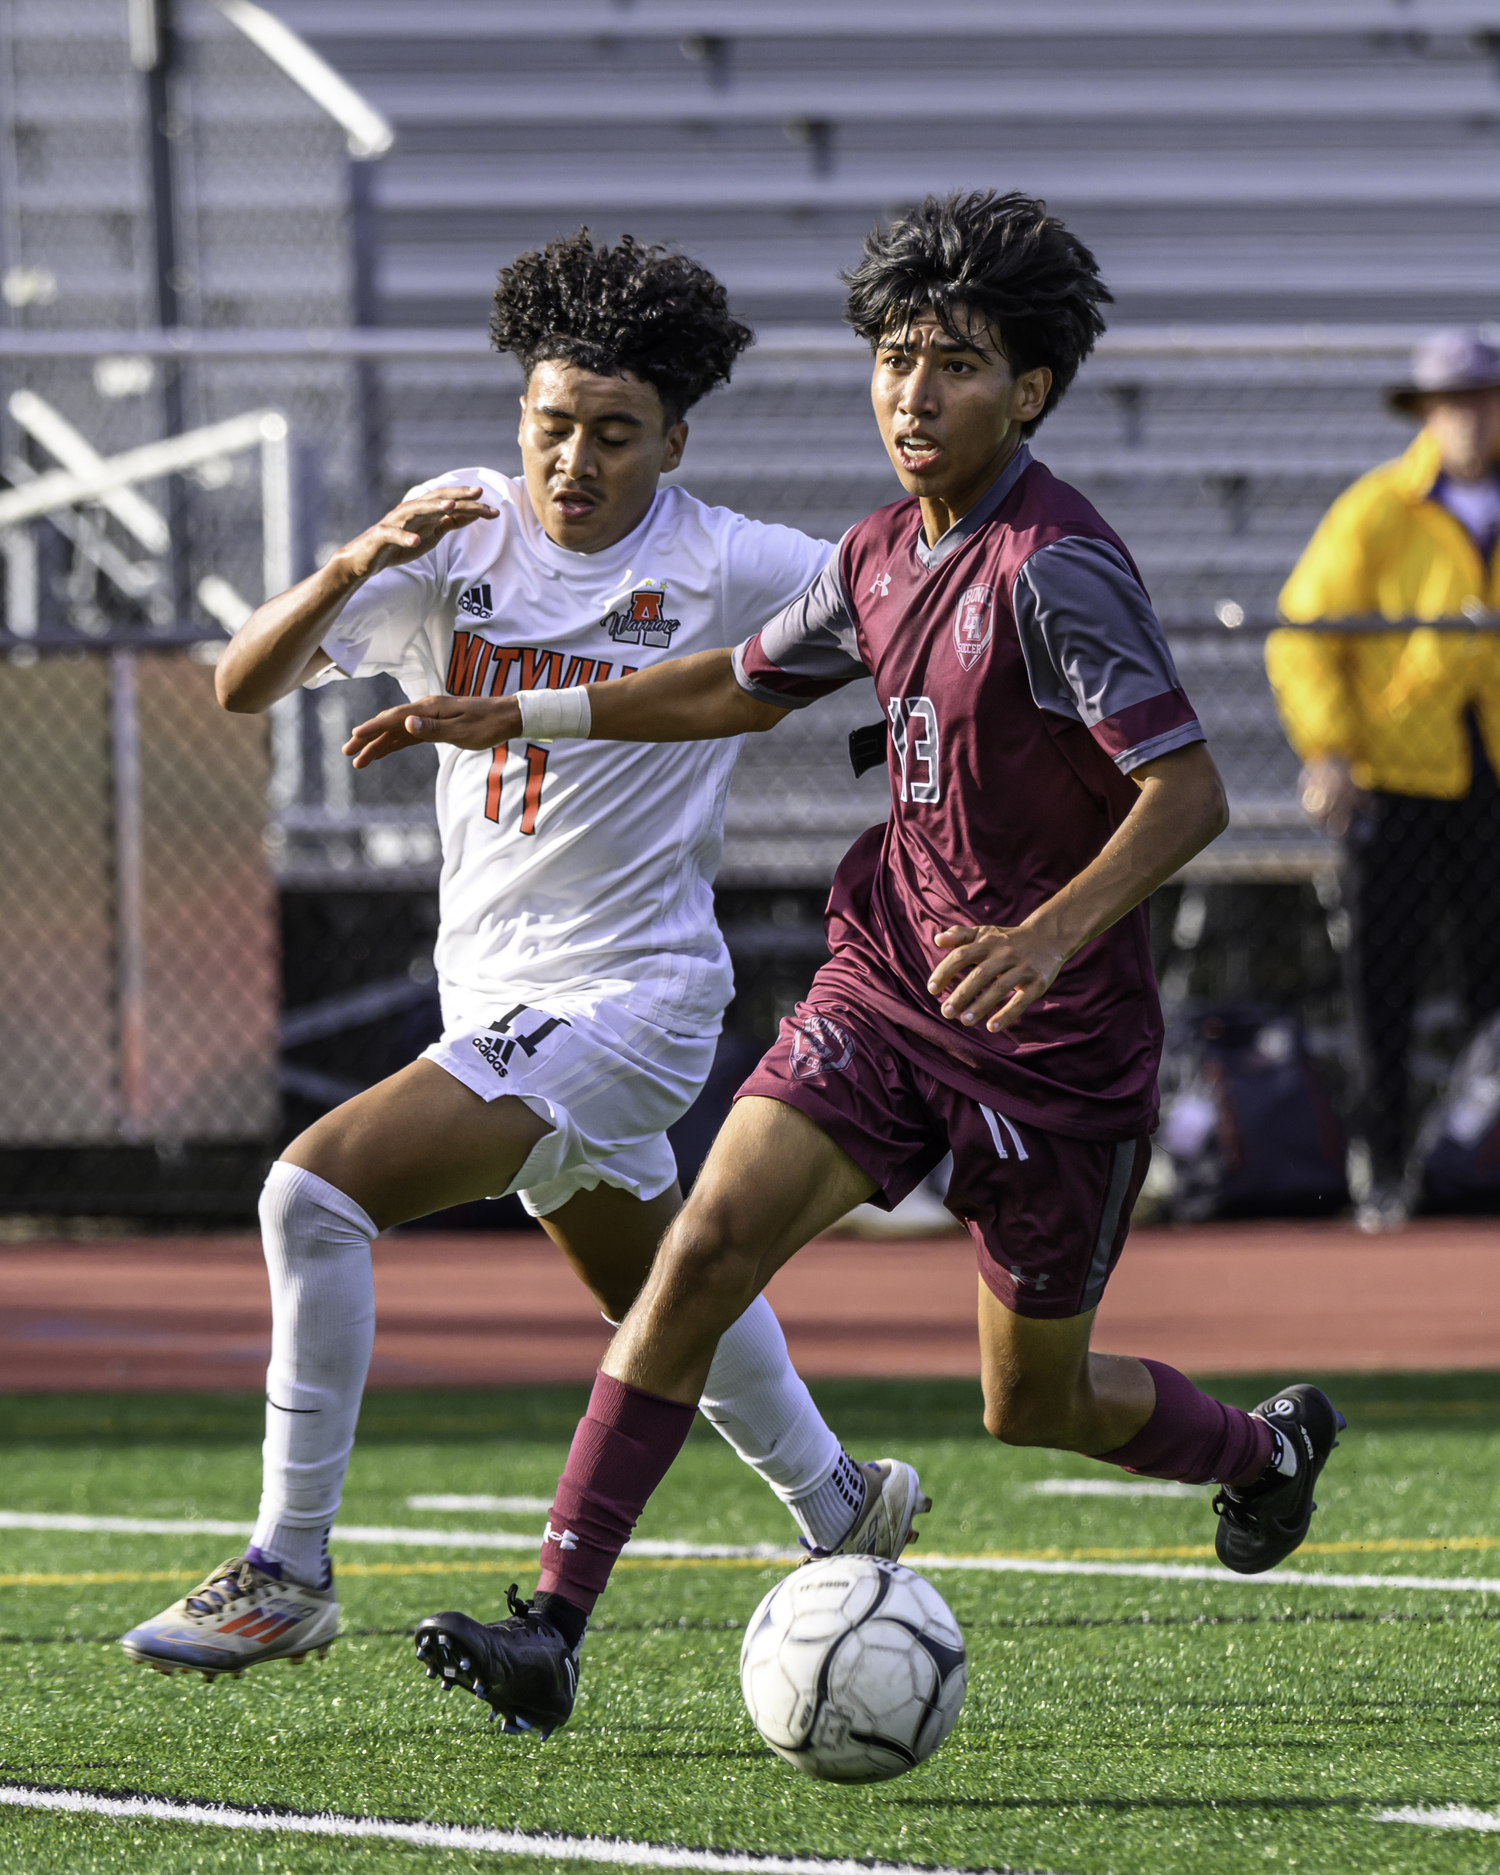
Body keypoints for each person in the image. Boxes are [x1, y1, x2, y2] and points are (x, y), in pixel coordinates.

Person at [349, 192, 1345, 1739]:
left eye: (954, 363)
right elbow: (739, 685)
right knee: (699, 1250)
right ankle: (551, 1622)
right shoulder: (879, 551)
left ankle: (1259, 1453)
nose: (912, 393)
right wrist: (524, 714)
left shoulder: (1055, 564)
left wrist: (1049, 931)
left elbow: (1191, 792)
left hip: (1054, 1042)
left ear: (1031, 389)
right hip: (886, 989)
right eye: (894, 358)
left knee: (1034, 1404)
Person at [118, 231, 930, 1687]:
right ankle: (839, 1499)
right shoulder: (459, 536)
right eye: (552, 425)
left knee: (313, 1190)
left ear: (671, 440)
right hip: (494, 990)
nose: (574, 461)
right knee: (664, 1288)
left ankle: (288, 1565)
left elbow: (913, 611)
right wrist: (359, 560)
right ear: (521, 419)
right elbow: (241, 683)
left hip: (636, 997)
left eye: (614, 435)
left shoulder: (724, 558)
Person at [1268, 330, 1500, 1231]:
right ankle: (1385, 1163)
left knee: (1496, 982)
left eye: (1482, 399)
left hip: (1493, 776)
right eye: (1453, 402)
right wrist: (1329, 749)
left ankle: (1479, 1158)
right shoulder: (1377, 509)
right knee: (1385, 981)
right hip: (1398, 774)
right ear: (1426, 414)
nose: (1470, 418)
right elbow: (1304, 633)